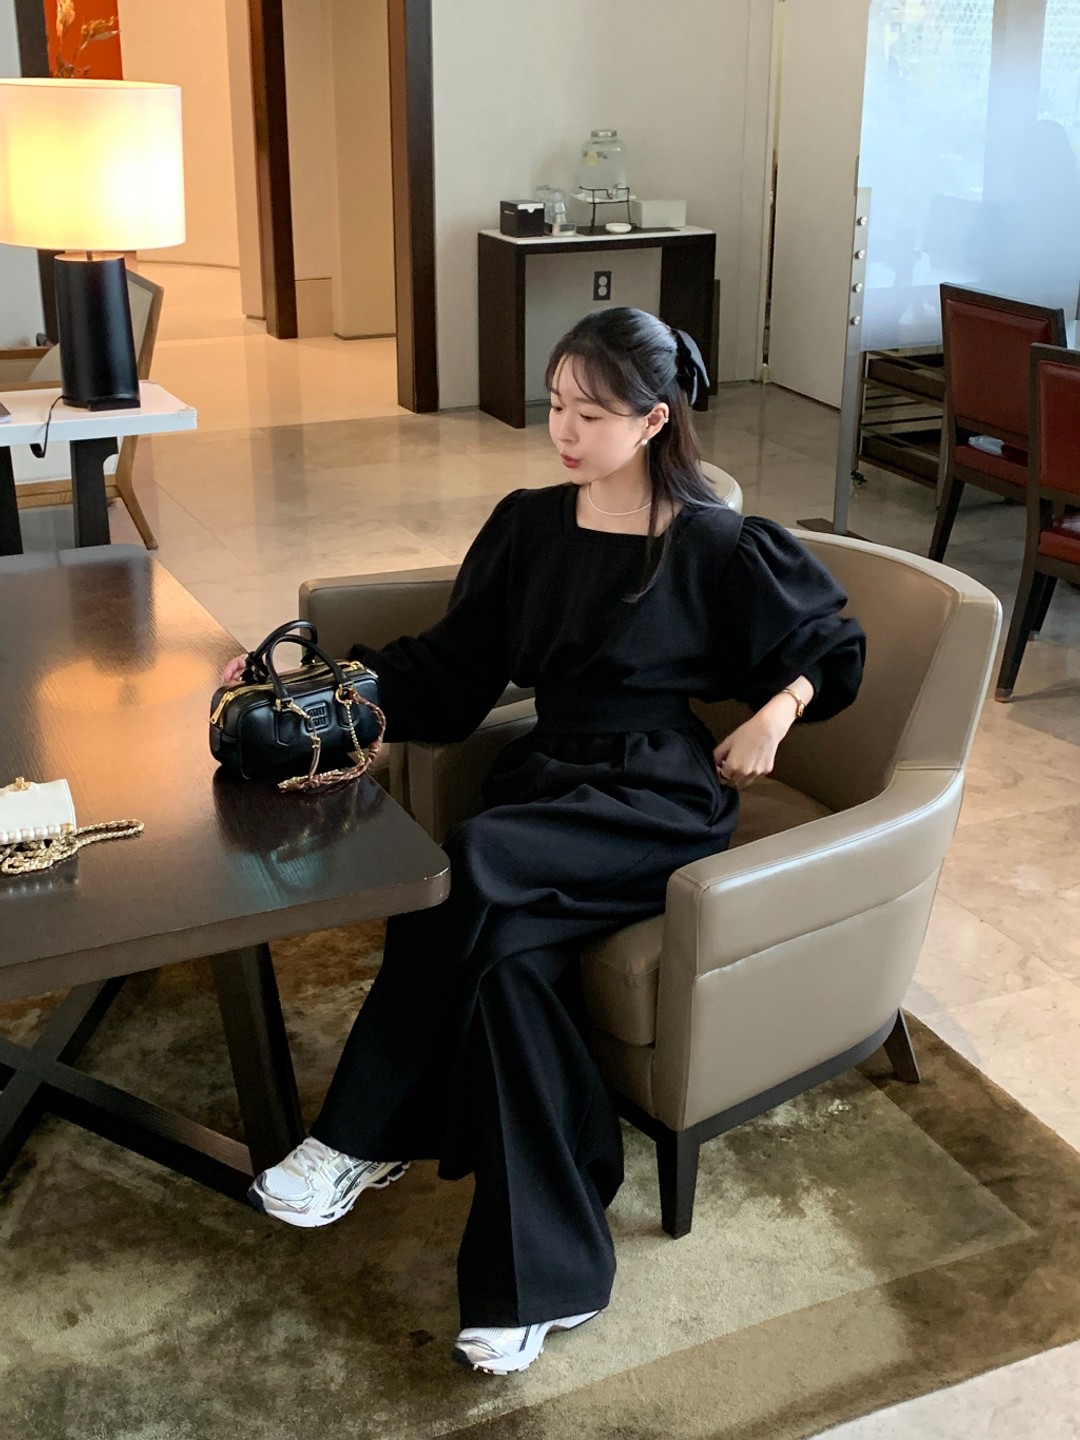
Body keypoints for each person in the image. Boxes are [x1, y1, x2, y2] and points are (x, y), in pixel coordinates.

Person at [222, 308, 866, 1376]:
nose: (564, 430)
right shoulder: (528, 526)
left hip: (659, 795)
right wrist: (334, 691)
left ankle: (357, 1137)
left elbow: (833, 645)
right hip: (552, 778)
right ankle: (536, 1288)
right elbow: (455, 668)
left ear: (654, 420)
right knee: (510, 980)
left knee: (468, 863)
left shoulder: (717, 543)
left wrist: (775, 712)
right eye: (557, 405)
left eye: (592, 413)